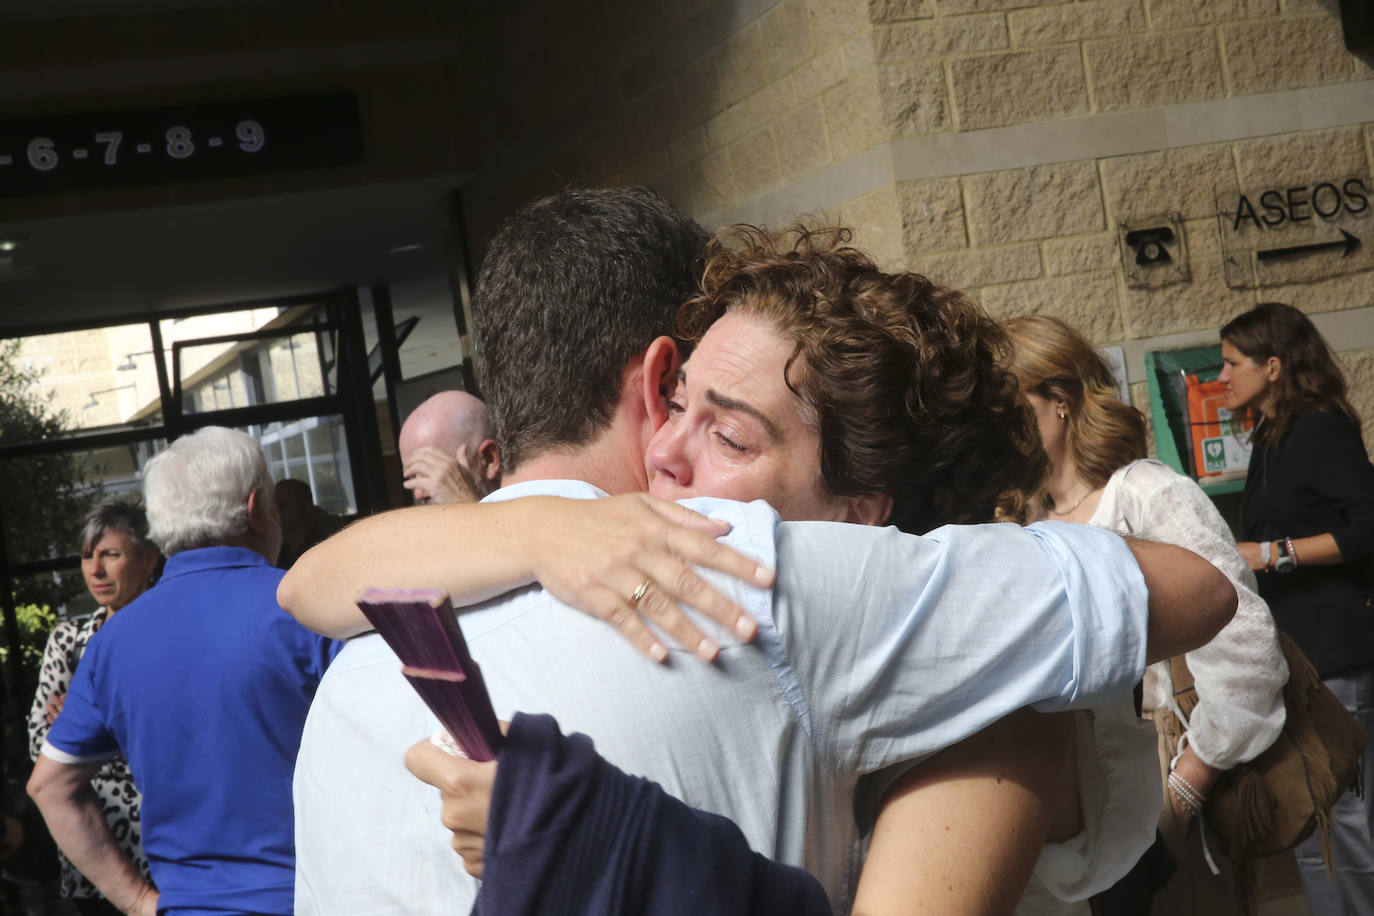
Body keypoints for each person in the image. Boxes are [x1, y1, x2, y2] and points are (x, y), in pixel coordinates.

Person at [280, 190, 1235, 915]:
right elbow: (307, 584)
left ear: (866, 517)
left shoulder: (768, 573)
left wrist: (613, 843)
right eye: (680, 404)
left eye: (732, 438)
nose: (666, 451)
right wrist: (538, 530)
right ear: (658, 381)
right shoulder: (566, 555)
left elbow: (1196, 589)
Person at [1000, 314, 1288, 914]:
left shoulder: (1144, 494)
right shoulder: (1025, 522)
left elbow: (1246, 650)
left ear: (1060, 402)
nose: (995, 424)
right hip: (1072, 813)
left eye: (1007, 401)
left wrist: (1184, 791)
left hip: (1159, 776)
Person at [28, 426, 339, 916]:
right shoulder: (313, 610)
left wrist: (137, 902)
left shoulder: (111, 643)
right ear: (258, 508)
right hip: (320, 899)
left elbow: (49, 787)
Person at [1219, 302, 1374, 915]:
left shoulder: (1317, 426)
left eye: (1232, 363)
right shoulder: (1272, 432)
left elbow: (1367, 527)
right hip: (1303, 658)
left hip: (1335, 653)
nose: (1222, 376)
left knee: (1343, 819)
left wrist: (1271, 553)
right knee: (1320, 818)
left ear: (1274, 366)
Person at [26, 499, 161, 916]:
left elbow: (174, 740)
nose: (95, 570)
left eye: (111, 555)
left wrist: (86, 726)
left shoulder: (166, 633)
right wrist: (124, 729)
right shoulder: (67, 640)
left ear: (149, 559)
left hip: (165, 845)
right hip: (92, 852)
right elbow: (38, 746)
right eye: (88, 557)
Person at [398, 390, 501, 504]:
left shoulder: (523, 506)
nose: (418, 494)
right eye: (413, 477)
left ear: (489, 459)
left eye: (432, 469)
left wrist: (465, 505)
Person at [273, 478, 338, 568]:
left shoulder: (324, 547)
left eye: (284, 505)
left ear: (307, 507)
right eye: (273, 506)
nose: (277, 511)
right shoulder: (276, 552)